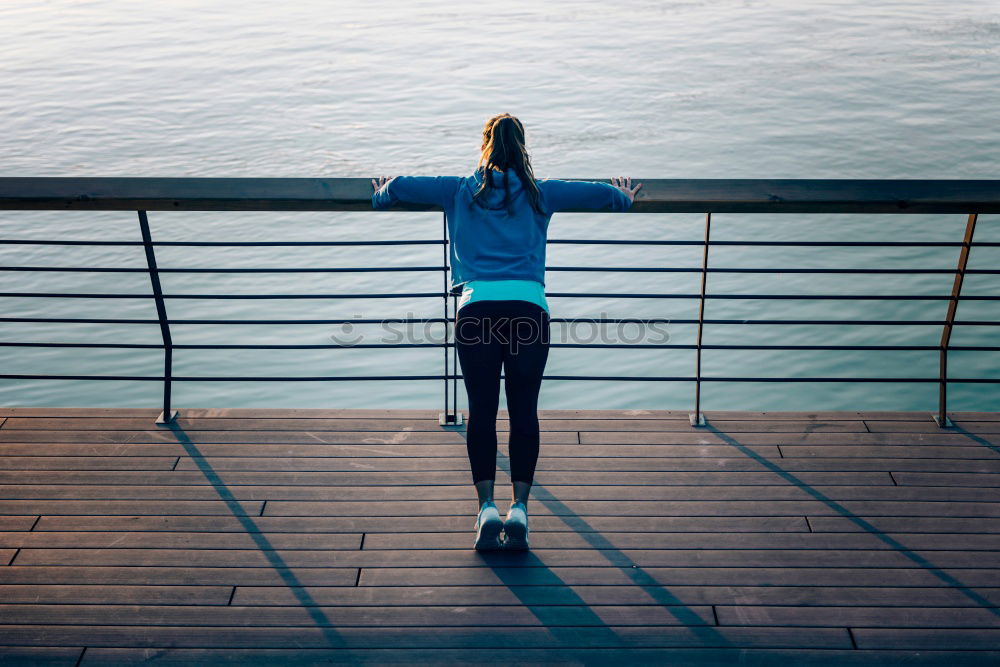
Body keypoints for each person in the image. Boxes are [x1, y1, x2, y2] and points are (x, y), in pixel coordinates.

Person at [372, 113, 641, 551]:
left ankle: (485, 509)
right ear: (523, 148)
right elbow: (600, 195)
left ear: (484, 145)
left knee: (481, 411)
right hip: (528, 313)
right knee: (523, 412)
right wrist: (625, 198)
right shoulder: (541, 193)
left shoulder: (457, 189)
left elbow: (400, 184)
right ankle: (519, 509)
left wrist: (381, 195)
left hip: (476, 311)